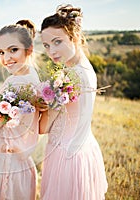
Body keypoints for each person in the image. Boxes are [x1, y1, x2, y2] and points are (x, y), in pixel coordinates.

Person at [38, 4, 108, 199]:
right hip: (82, 148)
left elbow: (44, 128)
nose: (51, 51)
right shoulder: (83, 68)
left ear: (75, 37)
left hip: (66, 156)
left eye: (57, 42)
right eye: (46, 45)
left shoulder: (70, 78)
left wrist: (40, 104)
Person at [0, 20, 40, 200]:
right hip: (17, 161)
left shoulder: (18, 83)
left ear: (28, 50)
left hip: (5, 162)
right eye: (1, 52)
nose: (6, 58)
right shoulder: (30, 76)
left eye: (13, 50)